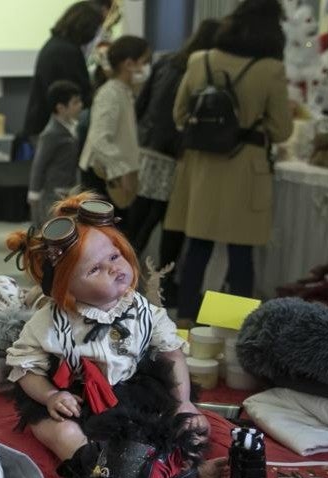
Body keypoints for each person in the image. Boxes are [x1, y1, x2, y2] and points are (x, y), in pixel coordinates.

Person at [4, 193, 207, 464]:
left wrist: (183, 402)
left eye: (114, 255)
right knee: (63, 433)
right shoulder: (49, 322)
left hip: (133, 391)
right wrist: (51, 395)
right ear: (65, 287)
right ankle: (96, 469)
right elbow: (25, 369)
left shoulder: (143, 311)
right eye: (95, 269)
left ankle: (182, 470)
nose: (113, 268)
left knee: (188, 426)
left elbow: (172, 354)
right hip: (75, 399)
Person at [166, 0, 293, 320]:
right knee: (240, 253)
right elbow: (282, 130)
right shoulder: (270, 70)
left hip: (202, 168)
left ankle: (188, 319)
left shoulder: (200, 60)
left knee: (197, 246)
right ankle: (231, 324)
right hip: (246, 169)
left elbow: (179, 115)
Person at [127, 18, 222, 297]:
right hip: (175, 154)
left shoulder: (166, 61)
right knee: (170, 224)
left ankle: (122, 274)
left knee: (140, 218)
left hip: (147, 147)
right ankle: (164, 283)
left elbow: (141, 104)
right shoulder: (204, 70)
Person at [79, 36, 149, 219]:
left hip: (113, 175)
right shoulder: (110, 94)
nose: (145, 68)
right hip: (104, 175)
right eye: (143, 62)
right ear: (129, 64)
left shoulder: (123, 91)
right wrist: (121, 170)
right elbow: (99, 139)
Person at [20, 2, 106, 149]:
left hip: (43, 126)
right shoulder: (67, 52)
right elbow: (80, 93)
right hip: (54, 131)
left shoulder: (56, 45)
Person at [27, 80, 83, 229]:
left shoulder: (72, 127)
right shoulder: (51, 133)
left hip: (69, 191)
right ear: (61, 108)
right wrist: (34, 193)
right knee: (53, 231)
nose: (80, 105)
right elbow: (39, 164)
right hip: (53, 195)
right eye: (75, 102)